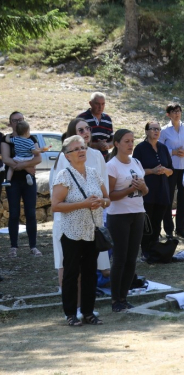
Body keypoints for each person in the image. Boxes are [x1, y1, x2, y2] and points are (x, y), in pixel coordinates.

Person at [50, 118, 110, 319]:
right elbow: (56, 205)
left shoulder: (93, 173)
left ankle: (88, 312)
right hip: (72, 231)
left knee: (90, 273)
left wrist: (100, 202)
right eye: (76, 149)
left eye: (83, 147)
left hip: (91, 230)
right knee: (71, 273)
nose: (81, 151)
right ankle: (70, 314)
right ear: (67, 156)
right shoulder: (64, 176)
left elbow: (107, 198)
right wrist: (83, 204)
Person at [107, 129, 148, 312]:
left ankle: (124, 296)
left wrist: (142, 187)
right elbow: (109, 195)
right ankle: (116, 300)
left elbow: (145, 191)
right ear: (117, 144)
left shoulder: (137, 162)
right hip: (119, 216)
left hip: (137, 213)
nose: (130, 144)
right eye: (126, 141)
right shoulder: (112, 165)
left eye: (132, 141)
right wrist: (129, 190)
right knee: (120, 258)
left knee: (132, 258)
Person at [0, 112, 42, 258]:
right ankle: (13, 247)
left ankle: (33, 246)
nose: (18, 122)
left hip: (29, 180)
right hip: (13, 181)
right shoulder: (7, 140)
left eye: (21, 120)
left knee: (31, 213)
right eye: (15, 120)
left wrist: (22, 165)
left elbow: (38, 158)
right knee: (14, 213)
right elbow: (5, 158)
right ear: (10, 122)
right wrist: (25, 166)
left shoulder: (31, 138)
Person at [133, 121, 173, 260]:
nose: (156, 131)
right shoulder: (140, 148)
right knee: (146, 222)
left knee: (157, 222)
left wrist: (165, 170)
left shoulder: (163, 148)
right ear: (147, 131)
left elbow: (171, 170)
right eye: (153, 129)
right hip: (147, 192)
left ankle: (155, 248)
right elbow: (135, 170)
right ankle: (145, 250)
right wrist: (152, 171)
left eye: (158, 129)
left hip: (162, 191)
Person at [159, 102, 184, 239]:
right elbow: (161, 149)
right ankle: (168, 229)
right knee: (168, 198)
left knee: (182, 198)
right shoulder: (164, 130)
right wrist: (173, 152)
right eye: (173, 111)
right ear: (168, 114)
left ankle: (180, 228)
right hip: (171, 168)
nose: (177, 113)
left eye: (179, 111)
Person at [2, 121, 46, 187]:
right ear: (26, 132)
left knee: (11, 168)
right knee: (33, 165)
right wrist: (40, 150)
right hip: (28, 158)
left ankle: (8, 180)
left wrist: (8, 135)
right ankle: (30, 176)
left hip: (18, 158)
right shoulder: (30, 141)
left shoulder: (15, 139)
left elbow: (8, 140)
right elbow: (34, 151)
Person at [78, 92, 114, 158]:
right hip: (85, 159)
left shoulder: (107, 119)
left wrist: (107, 145)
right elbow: (76, 140)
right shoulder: (81, 118)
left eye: (103, 104)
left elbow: (112, 141)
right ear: (90, 103)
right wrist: (95, 145)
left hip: (103, 159)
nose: (100, 107)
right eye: (97, 104)